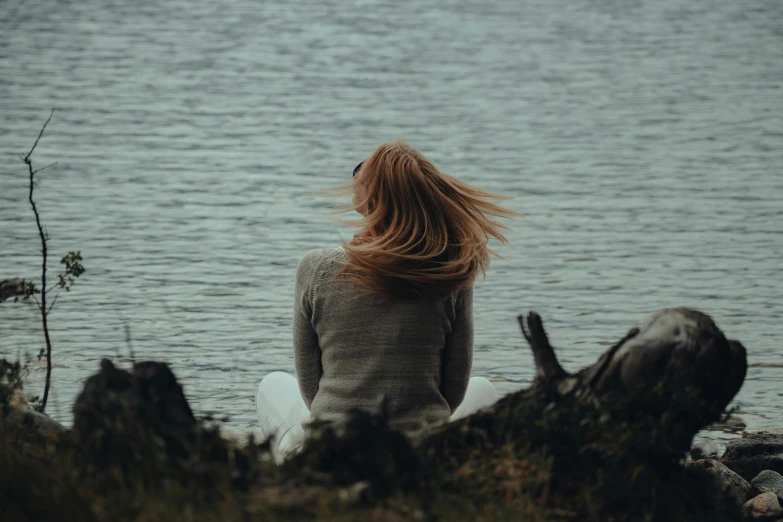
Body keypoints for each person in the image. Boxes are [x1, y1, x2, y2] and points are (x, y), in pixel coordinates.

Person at [256, 141, 519, 461]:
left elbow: (312, 391)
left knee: (272, 385)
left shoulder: (316, 269)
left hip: (336, 445)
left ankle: (289, 466)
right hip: (419, 448)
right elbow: (453, 391)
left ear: (367, 200)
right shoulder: (450, 274)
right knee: (484, 390)